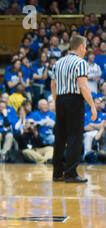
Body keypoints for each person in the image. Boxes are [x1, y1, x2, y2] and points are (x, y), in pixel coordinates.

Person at [51, 35, 97, 183]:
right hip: (74, 100)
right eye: (85, 47)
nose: (86, 50)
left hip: (60, 100)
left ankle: (57, 173)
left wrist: (56, 101)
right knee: (75, 137)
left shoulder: (58, 63)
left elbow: (53, 85)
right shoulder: (81, 63)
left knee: (60, 137)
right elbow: (83, 86)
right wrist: (92, 106)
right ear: (80, 46)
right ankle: (70, 174)